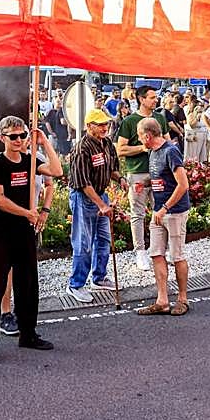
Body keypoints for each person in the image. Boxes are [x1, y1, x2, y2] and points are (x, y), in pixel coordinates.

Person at [0, 116, 63, 364]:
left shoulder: (30, 161)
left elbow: (56, 172)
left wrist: (44, 142)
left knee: (27, 285)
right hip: (1, 232)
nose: (19, 140)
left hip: (24, 232)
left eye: (22, 135)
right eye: (13, 136)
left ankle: (28, 333)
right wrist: (28, 213)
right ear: (2, 137)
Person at [136, 117, 193, 316]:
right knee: (156, 253)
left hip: (174, 211)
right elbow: (160, 178)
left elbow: (183, 185)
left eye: (140, 135)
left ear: (148, 135)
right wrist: (145, 183)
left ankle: (183, 299)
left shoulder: (170, 151)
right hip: (159, 210)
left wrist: (165, 208)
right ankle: (162, 300)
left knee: (177, 255)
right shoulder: (152, 152)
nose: (139, 139)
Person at [66, 109, 124, 304]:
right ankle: (75, 284)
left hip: (101, 195)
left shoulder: (107, 143)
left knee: (103, 239)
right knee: (83, 243)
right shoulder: (82, 148)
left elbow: (112, 169)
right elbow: (82, 183)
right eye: (99, 124)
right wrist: (101, 205)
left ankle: (98, 278)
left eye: (105, 124)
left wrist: (120, 179)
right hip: (84, 198)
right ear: (89, 126)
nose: (104, 127)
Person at [116, 85, 169, 271]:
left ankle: (160, 250)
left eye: (156, 97)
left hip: (160, 173)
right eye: (152, 97)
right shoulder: (129, 121)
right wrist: (142, 148)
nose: (156, 100)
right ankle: (140, 252)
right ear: (141, 99)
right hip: (138, 172)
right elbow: (120, 149)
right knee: (137, 213)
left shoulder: (160, 118)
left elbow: (167, 143)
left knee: (161, 211)